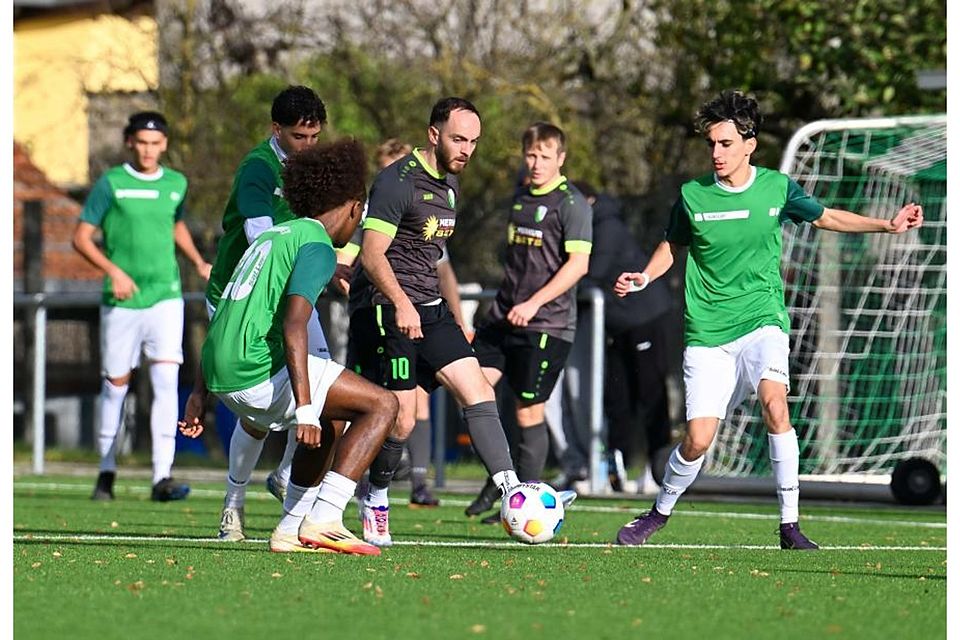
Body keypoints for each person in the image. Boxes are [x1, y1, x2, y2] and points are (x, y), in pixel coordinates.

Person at [613, 90, 923, 550]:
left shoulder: (777, 188)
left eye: (725, 143)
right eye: (712, 144)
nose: (717, 153)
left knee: (776, 405)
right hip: (708, 332)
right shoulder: (693, 196)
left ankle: (789, 525)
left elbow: (826, 217)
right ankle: (658, 513)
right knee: (698, 440)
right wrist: (644, 276)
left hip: (763, 318)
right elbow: (672, 245)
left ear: (749, 145)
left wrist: (886, 225)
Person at [179, 139, 398, 555]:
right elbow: (296, 324)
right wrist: (305, 409)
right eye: (361, 216)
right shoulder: (316, 245)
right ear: (353, 207)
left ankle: (290, 529)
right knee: (383, 405)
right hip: (254, 373)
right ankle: (326, 516)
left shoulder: (274, 236)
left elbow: (225, 312)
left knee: (335, 417)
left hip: (222, 374)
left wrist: (198, 393)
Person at [347, 97, 519, 546]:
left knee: (478, 389)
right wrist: (401, 303)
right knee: (402, 421)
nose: (467, 150)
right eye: (459, 139)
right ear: (433, 134)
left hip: (430, 307)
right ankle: (375, 496)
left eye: (473, 142)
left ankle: (513, 492)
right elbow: (372, 255)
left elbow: (433, 260)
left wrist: (450, 313)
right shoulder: (396, 181)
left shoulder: (450, 184)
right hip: (387, 309)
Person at [205, 85, 329, 541]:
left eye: (314, 137)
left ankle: (286, 475)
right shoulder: (258, 167)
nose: (308, 146)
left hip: (287, 292)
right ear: (276, 130)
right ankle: (233, 503)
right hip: (241, 295)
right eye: (299, 137)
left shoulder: (312, 166)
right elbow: (261, 236)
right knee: (257, 418)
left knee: (321, 379)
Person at [73, 111, 212, 502]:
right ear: (129, 143)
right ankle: (106, 472)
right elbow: (81, 237)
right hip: (122, 300)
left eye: (155, 143)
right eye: (142, 143)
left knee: (166, 382)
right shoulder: (111, 183)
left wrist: (197, 261)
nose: (148, 150)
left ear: (164, 144)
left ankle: (161, 476)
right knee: (116, 387)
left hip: (165, 296)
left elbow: (174, 223)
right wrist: (113, 271)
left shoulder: (176, 184)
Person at [465, 122, 592, 521]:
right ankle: (501, 475)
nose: (536, 163)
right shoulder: (520, 198)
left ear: (561, 158)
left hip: (546, 324)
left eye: (545, 156)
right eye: (531, 155)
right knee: (471, 391)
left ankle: (525, 501)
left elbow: (578, 265)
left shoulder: (572, 204)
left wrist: (534, 303)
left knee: (528, 412)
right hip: (503, 318)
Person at [335, 139, 464, 507]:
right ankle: (353, 479)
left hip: (416, 314)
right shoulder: (370, 214)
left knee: (415, 403)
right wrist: (349, 282)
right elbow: (347, 259)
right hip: (375, 316)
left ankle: (418, 481)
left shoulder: (429, 211)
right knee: (370, 402)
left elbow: (443, 271)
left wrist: (456, 317)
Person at [571, 181, 674, 493]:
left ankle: (658, 471)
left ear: (588, 201)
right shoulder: (584, 227)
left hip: (644, 318)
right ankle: (615, 472)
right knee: (618, 398)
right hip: (616, 326)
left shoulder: (607, 227)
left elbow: (591, 275)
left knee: (651, 394)